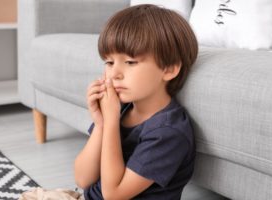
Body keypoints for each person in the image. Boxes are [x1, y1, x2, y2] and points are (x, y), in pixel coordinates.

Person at [74, 4, 198, 200]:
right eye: (109, 62)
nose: (114, 74)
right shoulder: (121, 109)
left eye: (130, 62)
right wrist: (101, 124)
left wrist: (112, 121)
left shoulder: (168, 132)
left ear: (169, 69)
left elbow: (113, 195)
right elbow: (82, 179)